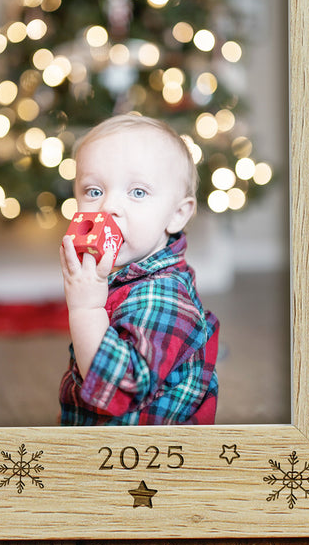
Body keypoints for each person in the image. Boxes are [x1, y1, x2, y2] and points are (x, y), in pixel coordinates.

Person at [58, 114, 219, 425]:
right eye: (93, 191)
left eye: (138, 192)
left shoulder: (164, 296)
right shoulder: (129, 274)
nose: (107, 208)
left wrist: (85, 309)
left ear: (177, 214)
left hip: (143, 458)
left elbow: (120, 388)